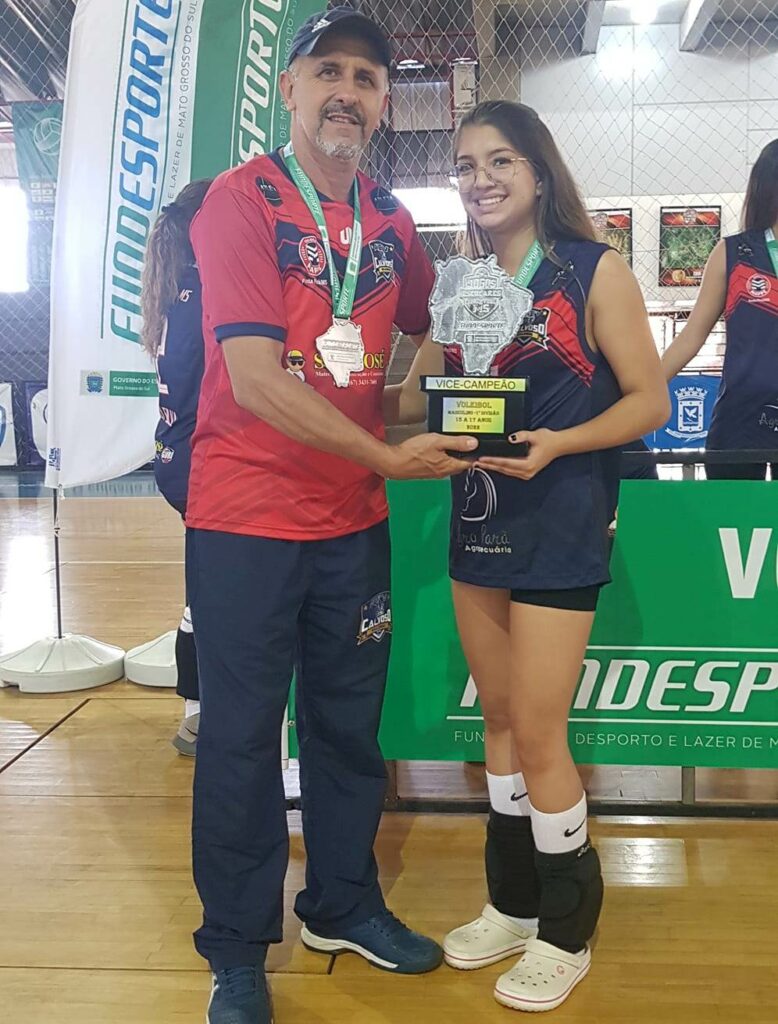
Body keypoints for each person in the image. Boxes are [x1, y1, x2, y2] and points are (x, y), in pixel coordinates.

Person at [184, 8, 476, 1023]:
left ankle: (342, 902)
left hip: (350, 525)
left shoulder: (393, 224)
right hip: (245, 523)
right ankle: (234, 950)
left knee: (350, 733)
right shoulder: (239, 201)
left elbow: (431, 342)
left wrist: (452, 394)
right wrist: (389, 454)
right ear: (290, 89)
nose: (346, 91)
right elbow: (259, 379)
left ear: (385, 102)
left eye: (366, 76)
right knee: (240, 736)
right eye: (327, 72)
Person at [389, 100, 669, 1012]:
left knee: (541, 731)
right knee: (499, 722)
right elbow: (413, 400)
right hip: (478, 521)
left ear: (539, 172)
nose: (482, 180)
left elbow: (648, 403)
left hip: (559, 520)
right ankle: (512, 903)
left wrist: (558, 443)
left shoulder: (595, 270)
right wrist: (327, 376)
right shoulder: (463, 282)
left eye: (500, 160)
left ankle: (566, 927)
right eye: (467, 166)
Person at [140, 179, 212, 757]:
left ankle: (196, 709)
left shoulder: (178, 290)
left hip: (177, 456)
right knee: (210, 590)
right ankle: (198, 713)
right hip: (197, 461)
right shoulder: (201, 291)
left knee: (202, 586)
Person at [662, 139, 778, 479]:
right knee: (730, 525)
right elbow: (692, 335)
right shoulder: (733, 252)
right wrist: (637, 392)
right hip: (740, 420)